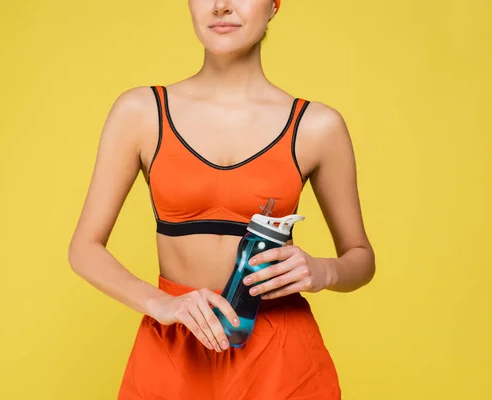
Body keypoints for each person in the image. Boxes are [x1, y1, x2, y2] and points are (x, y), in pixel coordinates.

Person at [68, 0, 375, 398]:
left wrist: (323, 271)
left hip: (281, 353)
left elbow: (360, 256)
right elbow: (84, 249)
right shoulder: (141, 112)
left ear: (274, 5)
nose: (221, 6)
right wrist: (162, 305)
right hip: (174, 344)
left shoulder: (318, 126)